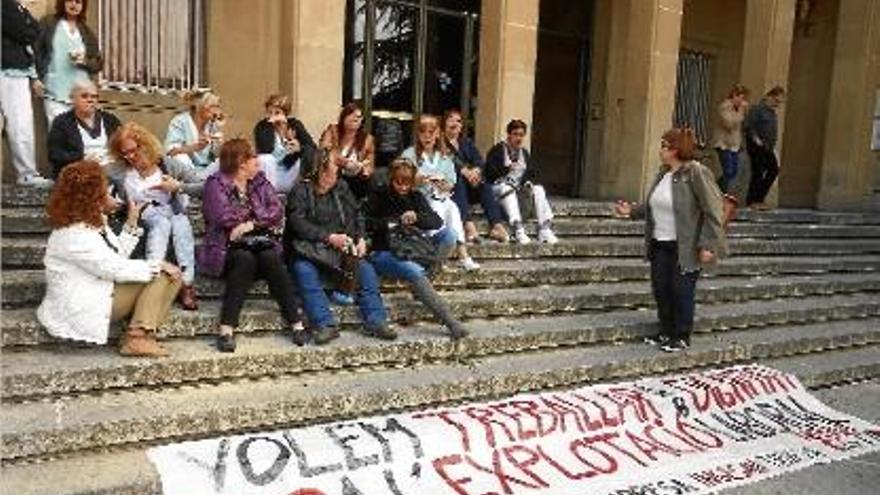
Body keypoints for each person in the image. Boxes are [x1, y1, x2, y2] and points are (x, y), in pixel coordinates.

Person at [37, 160, 182, 357]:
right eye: (105, 190)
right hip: (82, 306)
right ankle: (137, 338)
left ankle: (139, 334)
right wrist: (157, 265)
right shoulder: (72, 233)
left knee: (171, 276)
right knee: (163, 275)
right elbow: (111, 268)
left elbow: (116, 255)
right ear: (92, 197)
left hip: (100, 289)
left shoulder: (93, 221)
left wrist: (131, 220)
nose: (110, 193)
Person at [614, 128, 727, 353]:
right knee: (661, 289)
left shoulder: (695, 172)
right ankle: (665, 330)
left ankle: (681, 335)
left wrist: (708, 244)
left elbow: (713, 209)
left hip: (685, 245)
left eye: (664, 145)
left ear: (675, 149)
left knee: (680, 290)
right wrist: (632, 211)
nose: (661, 150)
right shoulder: (663, 174)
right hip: (660, 243)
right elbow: (653, 204)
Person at [199, 139, 304, 353]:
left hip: (259, 240)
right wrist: (254, 217)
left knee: (270, 257)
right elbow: (221, 217)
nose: (258, 161)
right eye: (252, 157)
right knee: (244, 259)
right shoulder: (215, 183)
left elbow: (276, 211)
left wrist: (250, 224)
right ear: (240, 162)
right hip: (225, 248)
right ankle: (226, 328)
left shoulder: (259, 181)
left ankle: (296, 322)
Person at [285, 148, 394, 345]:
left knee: (366, 270)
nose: (337, 172)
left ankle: (376, 320)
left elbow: (357, 214)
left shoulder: (341, 187)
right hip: (309, 250)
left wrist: (360, 238)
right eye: (333, 168)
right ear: (320, 170)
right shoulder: (300, 191)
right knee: (303, 270)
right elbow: (298, 224)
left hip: (339, 249)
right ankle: (325, 324)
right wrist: (328, 237)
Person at [367, 158, 467, 339]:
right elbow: (366, 222)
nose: (403, 187)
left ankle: (425, 280)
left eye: (407, 183)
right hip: (385, 251)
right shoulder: (379, 195)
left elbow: (436, 221)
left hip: (413, 247)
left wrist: (417, 217)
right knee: (414, 270)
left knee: (450, 235)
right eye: (399, 182)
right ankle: (450, 320)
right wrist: (395, 221)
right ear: (391, 178)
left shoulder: (416, 197)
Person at [110, 122, 200, 311]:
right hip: (143, 214)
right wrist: (111, 200)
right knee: (161, 223)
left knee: (181, 223)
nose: (130, 157)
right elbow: (92, 180)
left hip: (170, 212)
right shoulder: (120, 170)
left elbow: (205, 185)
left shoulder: (168, 165)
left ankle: (187, 284)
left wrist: (178, 187)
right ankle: (155, 273)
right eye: (124, 153)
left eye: (133, 150)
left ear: (145, 145)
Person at [401, 115, 480, 271]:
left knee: (453, 209)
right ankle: (437, 255)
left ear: (438, 134)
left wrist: (444, 185)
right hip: (418, 201)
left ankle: (463, 255)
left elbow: (451, 183)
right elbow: (402, 178)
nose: (427, 136)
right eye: (423, 132)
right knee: (439, 206)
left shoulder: (445, 157)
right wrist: (418, 179)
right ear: (418, 134)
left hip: (441, 198)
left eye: (431, 132)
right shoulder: (409, 154)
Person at [1, 0, 52, 186]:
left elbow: (34, 32)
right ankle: (26, 174)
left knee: (20, 123)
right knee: (20, 123)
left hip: (16, 70)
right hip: (9, 71)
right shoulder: (5, 5)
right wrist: (29, 27)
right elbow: (26, 32)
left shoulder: (17, 7)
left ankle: (27, 173)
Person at [485, 120, 559, 245]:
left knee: (539, 189)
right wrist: (507, 168)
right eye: (515, 134)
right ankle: (517, 228)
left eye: (521, 135)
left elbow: (531, 174)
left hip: (518, 191)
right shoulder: (497, 150)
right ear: (509, 135)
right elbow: (489, 174)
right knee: (506, 188)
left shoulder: (524, 153)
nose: (518, 138)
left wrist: (528, 182)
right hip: (498, 190)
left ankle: (544, 227)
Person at [441, 109, 508, 243]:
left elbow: (479, 161)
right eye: (451, 120)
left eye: (459, 121)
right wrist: (464, 171)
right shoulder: (439, 142)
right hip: (449, 188)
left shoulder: (466, 142)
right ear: (444, 123)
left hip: (470, 187)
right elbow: (444, 163)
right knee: (458, 181)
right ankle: (468, 225)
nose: (455, 123)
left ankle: (496, 225)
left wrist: (476, 172)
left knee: (484, 184)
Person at [34, 0, 102, 125]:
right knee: (58, 135)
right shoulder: (48, 23)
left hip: (81, 94)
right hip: (54, 91)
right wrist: (36, 78)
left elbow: (98, 63)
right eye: (70, 0)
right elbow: (36, 51)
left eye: (79, 2)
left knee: (81, 138)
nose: (74, 5)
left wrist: (85, 61)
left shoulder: (86, 30)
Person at [47, 79, 121, 177]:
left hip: (110, 167)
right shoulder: (62, 122)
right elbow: (55, 154)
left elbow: (124, 142)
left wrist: (115, 156)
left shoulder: (110, 119)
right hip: (79, 171)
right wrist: (82, 158)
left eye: (94, 97)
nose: (90, 100)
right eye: (84, 96)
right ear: (73, 99)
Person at [254, 93, 316, 193]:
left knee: (303, 158)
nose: (273, 116)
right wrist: (270, 125)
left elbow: (312, 147)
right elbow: (265, 149)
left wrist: (300, 148)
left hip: (290, 169)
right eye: (270, 112)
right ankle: (268, 195)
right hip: (271, 171)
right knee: (266, 159)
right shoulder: (262, 127)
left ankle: (300, 193)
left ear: (285, 113)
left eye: (277, 112)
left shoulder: (295, 124)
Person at [319, 102, 375, 199]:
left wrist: (363, 169)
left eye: (359, 117)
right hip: (332, 177)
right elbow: (325, 151)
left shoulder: (367, 139)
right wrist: (346, 164)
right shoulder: (332, 130)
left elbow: (370, 165)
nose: (355, 119)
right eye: (352, 115)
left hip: (355, 181)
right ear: (343, 117)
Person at [164, 89, 224, 176]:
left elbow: (215, 155)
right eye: (212, 106)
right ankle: (194, 181)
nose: (216, 111)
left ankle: (205, 179)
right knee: (180, 157)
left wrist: (220, 144)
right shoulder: (180, 121)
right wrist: (196, 147)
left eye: (218, 106)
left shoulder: (213, 124)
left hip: (206, 168)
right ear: (199, 106)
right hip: (186, 169)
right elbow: (171, 152)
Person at [744, 85, 785, 210]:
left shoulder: (772, 112)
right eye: (776, 101)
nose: (778, 104)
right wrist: (755, 138)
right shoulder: (757, 109)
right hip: (757, 145)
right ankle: (753, 200)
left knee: (773, 170)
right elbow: (748, 126)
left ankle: (759, 198)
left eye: (780, 102)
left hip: (768, 147)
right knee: (758, 172)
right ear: (769, 97)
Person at [712, 84, 749, 194]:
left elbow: (740, 128)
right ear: (734, 96)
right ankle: (717, 192)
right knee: (728, 171)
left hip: (734, 145)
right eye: (740, 98)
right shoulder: (725, 107)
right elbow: (729, 125)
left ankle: (717, 191)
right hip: (723, 144)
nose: (741, 101)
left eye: (743, 98)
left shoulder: (739, 109)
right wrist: (741, 113)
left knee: (732, 172)